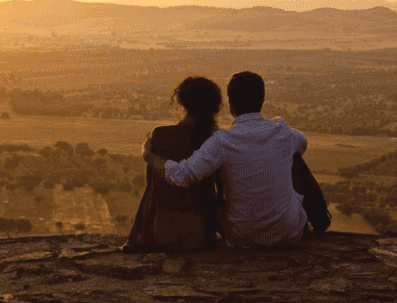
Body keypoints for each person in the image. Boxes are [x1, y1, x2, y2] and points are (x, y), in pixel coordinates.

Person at [143, 71, 311, 248]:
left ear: (231, 104)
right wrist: (277, 123)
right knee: (295, 160)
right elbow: (302, 143)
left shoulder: (222, 141)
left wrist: (149, 156)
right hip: (288, 234)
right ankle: (319, 219)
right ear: (262, 101)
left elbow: (183, 174)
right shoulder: (284, 133)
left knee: (218, 205)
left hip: (243, 237)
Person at [123, 76, 223, 253]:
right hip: (201, 234)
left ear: (181, 102)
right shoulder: (216, 140)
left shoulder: (160, 135)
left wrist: (148, 155)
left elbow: (153, 188)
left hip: (161, 230)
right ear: (214, 106)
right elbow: (220, 193)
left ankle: (140, 238)